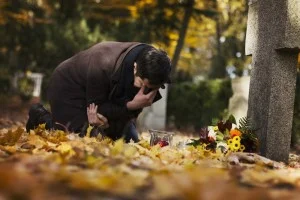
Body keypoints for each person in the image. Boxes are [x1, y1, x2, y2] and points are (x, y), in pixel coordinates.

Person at [26, 41, 172, 142]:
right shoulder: (102, 63)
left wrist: (114, 123)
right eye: (142, 84)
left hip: (104, 98)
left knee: (130, 141)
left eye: (151, 88)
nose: (144, 91)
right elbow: (97, 110)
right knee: (76, 137)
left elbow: (122, 114)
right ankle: (40, 115)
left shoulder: (153, 68)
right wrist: (131, 105)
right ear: (134, 68)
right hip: (68, 87)